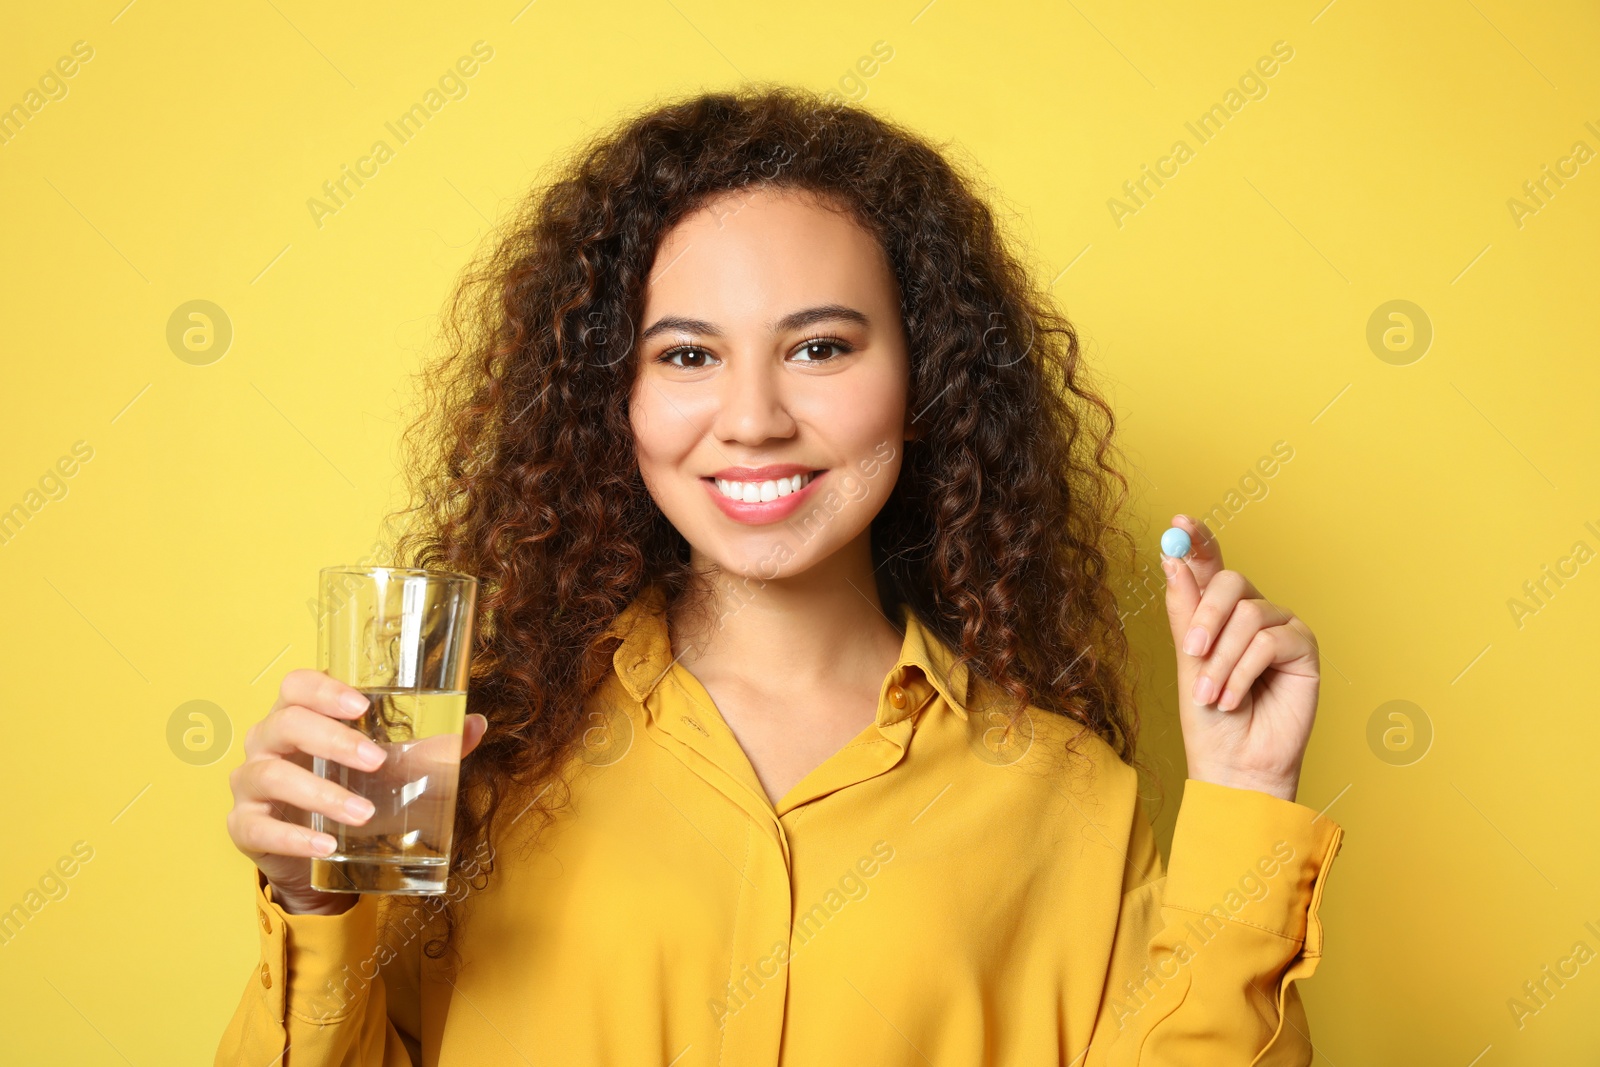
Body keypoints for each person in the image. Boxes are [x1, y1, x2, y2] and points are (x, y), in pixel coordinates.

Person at [216, 85, 1343, 1066]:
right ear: (614, 397)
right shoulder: (463, 766)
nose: (752, 420)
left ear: (925, 376)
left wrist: (1243, 800)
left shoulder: (1069, 798)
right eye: (687, 354)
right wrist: (317, 902)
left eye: (820, 347)